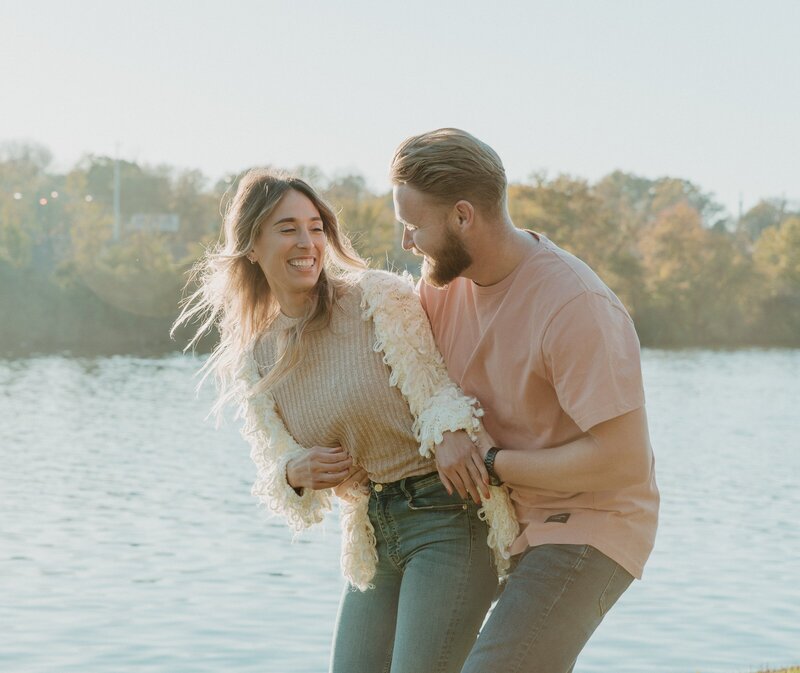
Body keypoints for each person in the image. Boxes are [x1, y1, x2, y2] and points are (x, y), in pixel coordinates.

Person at [171, 168, 517, 673]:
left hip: (447, 518)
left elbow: (437, 387)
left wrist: (446, 431)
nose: (307, 242)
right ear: (251, 245)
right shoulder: (257, 353)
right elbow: (277, 461)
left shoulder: (375, 297)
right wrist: (296, 472)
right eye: (287, 228)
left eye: (315, 227)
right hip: (374, 534)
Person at [390, 128, 660, 673]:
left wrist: (489, 464)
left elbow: (623, 461)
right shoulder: (441, 286)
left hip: (594, 520)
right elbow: (411, 374)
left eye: (414, 226)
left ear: (464, 216)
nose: (406, 244)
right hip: (501, 520)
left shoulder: (574, 305)